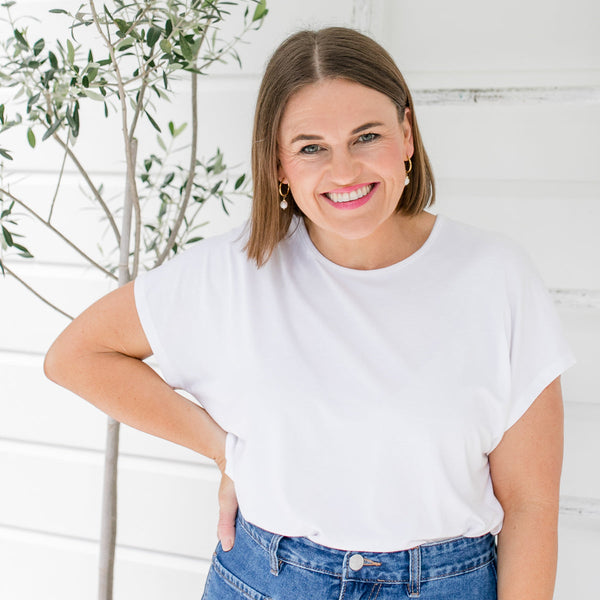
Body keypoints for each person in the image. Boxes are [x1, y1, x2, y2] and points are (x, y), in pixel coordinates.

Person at [44, 27, 575, 600]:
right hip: (266, 578)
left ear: (406, 135)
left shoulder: (495, 277)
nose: (343, 172)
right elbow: (76, 356)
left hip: (447, 583)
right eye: (310, 147)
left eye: (366, 136)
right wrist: (227, 452)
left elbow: (531, 505)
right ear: (278, 164)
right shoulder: (232, 272)